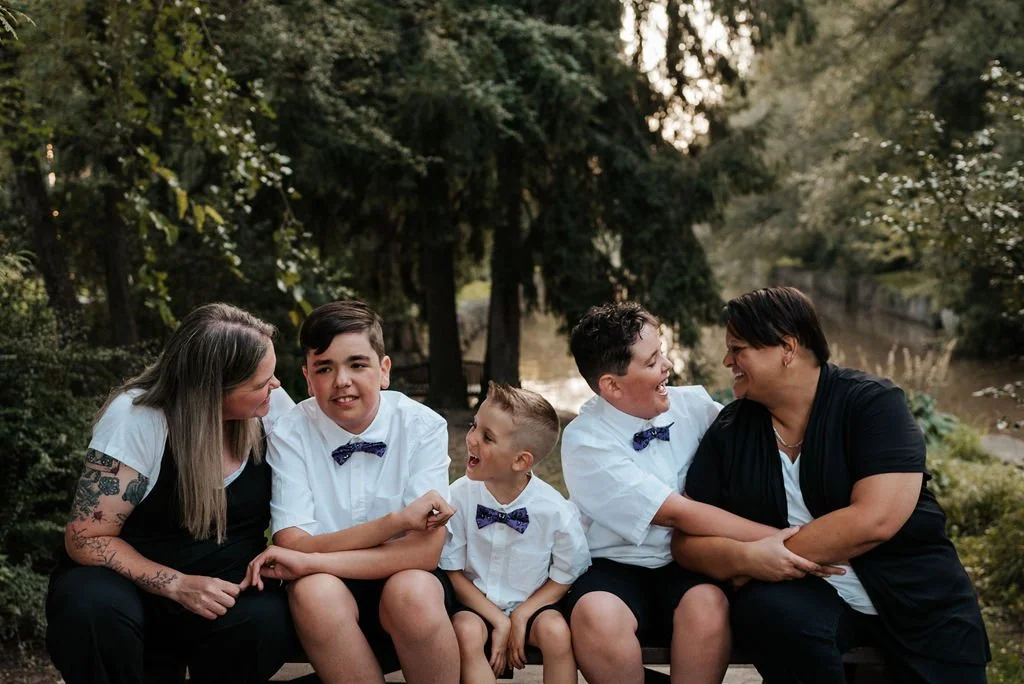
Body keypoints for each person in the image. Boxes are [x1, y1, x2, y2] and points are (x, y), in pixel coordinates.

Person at [675, 286, 991, 683]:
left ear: (787, 347)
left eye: (738, 349)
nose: (727, 361)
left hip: (919, 597)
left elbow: (875, 519)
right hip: (811, 602)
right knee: (768, 610)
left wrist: (767, 559)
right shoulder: (730, 430)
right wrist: (745, 560)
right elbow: (686, 541)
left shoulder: (873, 404)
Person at [560, 302, 836, 684]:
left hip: (691, 561)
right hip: (613, 565)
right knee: (596, 616)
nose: (667, 366)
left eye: (662, 353)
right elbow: (678, 513)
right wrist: (786, 542)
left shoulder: (695, 406)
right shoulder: (585, 440)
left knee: (708, 606)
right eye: (652, 361)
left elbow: (752, 447)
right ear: (612, 385)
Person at [45, 303, 299, 684]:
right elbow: (85, 537)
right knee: (90, 609)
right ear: (213, 389)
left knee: (266, 620)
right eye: (261, 382)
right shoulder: (136, 418)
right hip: (132, 586)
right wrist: (177, 584)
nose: (276, 386)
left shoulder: (272, 407)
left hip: (225, 588)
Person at [244, 299, 459, 684]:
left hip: (409, 586)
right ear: (308, 378)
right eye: (325, 368)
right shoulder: (290, 432)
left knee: (412, 590)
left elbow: (423, 553)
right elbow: (293, 542)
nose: (342, 380)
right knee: (314, 593)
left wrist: (311, 559)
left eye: (357, 364)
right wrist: (395, 522)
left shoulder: (423, 427)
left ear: (384, 370)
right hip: (327, 598)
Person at [441, 383, 590, 684]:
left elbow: (566, 573)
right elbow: (453, 572)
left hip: (532, 607)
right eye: (474, 426)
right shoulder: (457, 498)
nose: (471, 438)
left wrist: (522, 614)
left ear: (521, 460)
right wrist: (498, 619)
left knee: (556, 633)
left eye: (487, 437)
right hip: (475, 604)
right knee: (465, 632)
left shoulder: (555, 511)